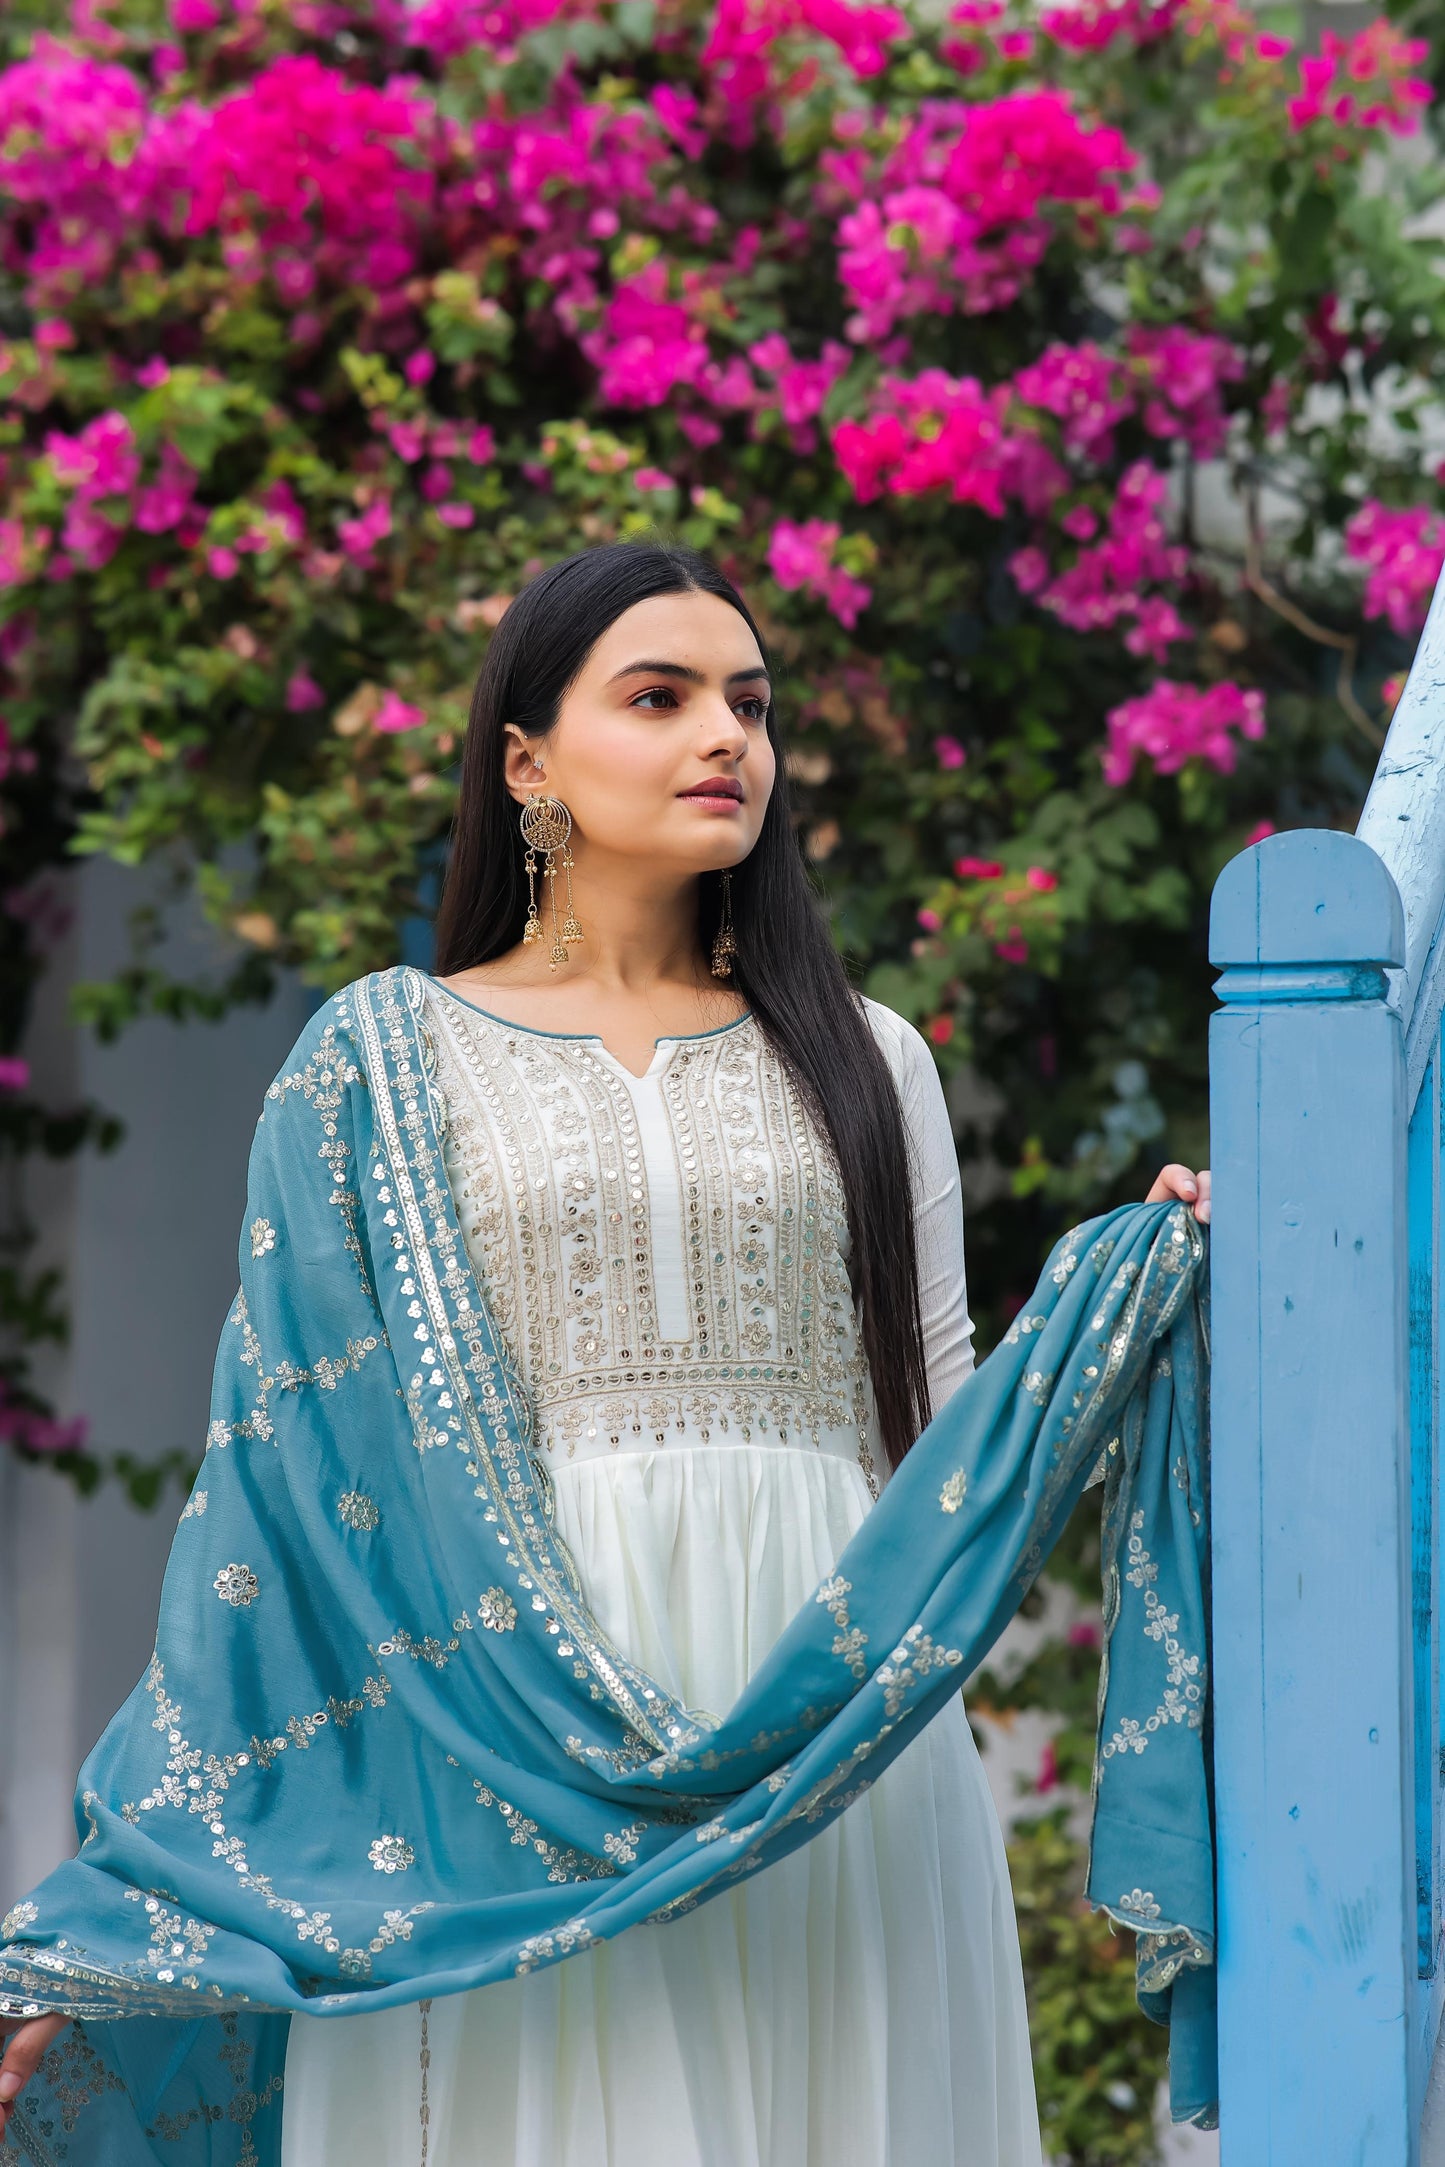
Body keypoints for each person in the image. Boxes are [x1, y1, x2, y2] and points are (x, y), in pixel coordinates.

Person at [0, 539, 1209, 2164]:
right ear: (526, 761)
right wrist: (134, 1921)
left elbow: (939, 1422)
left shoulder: (865, 1056)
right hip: (499, 1757)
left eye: (750, 703)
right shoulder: (383, 1058)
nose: (727, 738)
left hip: (825, 1733)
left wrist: (1125, 1288)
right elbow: (280, 1514)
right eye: (661, 697)